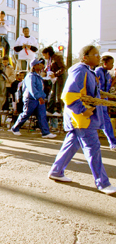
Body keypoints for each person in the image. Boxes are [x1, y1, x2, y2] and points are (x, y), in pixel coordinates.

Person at [48, 45, 116, 195]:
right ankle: (103, 183)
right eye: (95, 54)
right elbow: (69, 95)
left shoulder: (86, 71)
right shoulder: (80, 70)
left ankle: (56, 171)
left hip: (79, 118)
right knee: (93, 149)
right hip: (82, 119)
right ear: (85, 57)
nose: (98, 57)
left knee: (72, 144)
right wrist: (83, 110)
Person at [9, 58, 57, 138]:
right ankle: (15, 128)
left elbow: (40, 88)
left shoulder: (37, 76)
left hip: (38, 99)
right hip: (31, 99)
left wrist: (42, 97)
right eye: (38, 64)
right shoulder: (30, 76)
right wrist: (39, 97)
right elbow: (32, 88)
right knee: (26, 114)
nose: (41, 65)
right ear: (34, 66)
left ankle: (45, 132)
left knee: (42, 115)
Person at [95, 55, 116, 151]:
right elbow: (95, 86)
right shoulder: (97, 72)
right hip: (98, 100)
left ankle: (112, 142)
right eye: (111, 63)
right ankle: (112, 142)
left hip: (104, 100)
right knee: (103, 121)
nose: (112, 65)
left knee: (105, 121)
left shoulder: (107, 73)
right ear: (105, 63)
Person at [42, 46, 66, 117]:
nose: (44, 57)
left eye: (44, 55)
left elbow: (63, 68)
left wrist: (55, 74)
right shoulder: (49, 60)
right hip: (53, 79)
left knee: (58, 94)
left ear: (48, 53)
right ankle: (50, 109)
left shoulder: (57, 58)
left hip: (59, 78)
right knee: (52, 94)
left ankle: (58, 110)